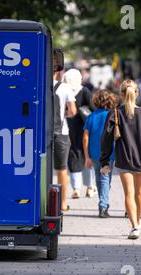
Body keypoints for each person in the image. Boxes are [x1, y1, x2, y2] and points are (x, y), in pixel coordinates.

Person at [101, 80, 141, 240]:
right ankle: (137, 222)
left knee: (129, 193)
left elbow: (106, 138)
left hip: (124, 157)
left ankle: (134, 226)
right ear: (137, 93)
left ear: (121, 94)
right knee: (139, 193)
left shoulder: (115, 113)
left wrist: (104, 160)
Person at [84, 90, 118, 218]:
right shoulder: (113, 115)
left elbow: (85, 137)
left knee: (100, 179)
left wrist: (87, 156)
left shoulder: (91, 116)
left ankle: (103, 203)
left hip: (94, 153)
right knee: (104, 179)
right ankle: (103, 206)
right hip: (109, 153)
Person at [62, 68, 96, 199]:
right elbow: (93, 108)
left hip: (70, 127)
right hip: (85, 128)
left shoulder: (64, 90)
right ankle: (90, 186)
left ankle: (76, 188)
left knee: (73, 155)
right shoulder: (85, 91)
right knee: (88, 156)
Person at [53, 72, 77, 211]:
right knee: (61, 169)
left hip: (41, 133)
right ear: (58, 72)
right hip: (61, 132)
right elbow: (73, 111)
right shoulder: (65, 88)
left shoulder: (39, 85)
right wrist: (63, 115)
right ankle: (62, 203)